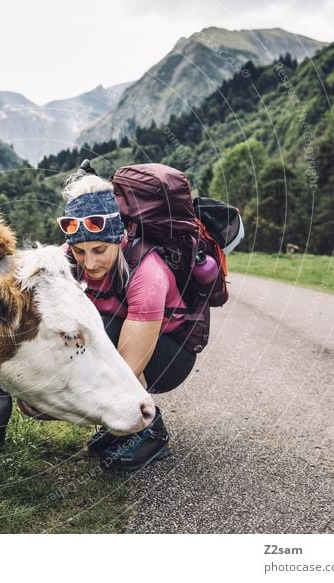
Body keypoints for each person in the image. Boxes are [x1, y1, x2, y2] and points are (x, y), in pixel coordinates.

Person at [56, 171, 197, 471]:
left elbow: (127, 367)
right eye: (80, 251)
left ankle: (151, 432)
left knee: (104, 334)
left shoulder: (147, 273)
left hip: (170, 353)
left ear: (118, 239)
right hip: (118, 329)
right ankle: (120, 428)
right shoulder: (68, 255)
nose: (89, 263)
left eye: (99, 250)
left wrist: (66, 399)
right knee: (97, 329)